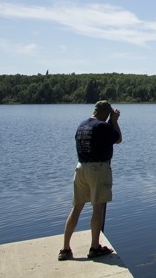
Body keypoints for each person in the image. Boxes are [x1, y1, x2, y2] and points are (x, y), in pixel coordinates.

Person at [58, 100, 122, 261]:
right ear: (106, 113)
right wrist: (114, 121)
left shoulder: (82, 125)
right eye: (108, 114)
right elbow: (118, 139)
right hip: (98, 169)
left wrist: (109, 122)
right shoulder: (103, 126)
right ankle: (95, 247)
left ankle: (65, 249)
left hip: (80, 168)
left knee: (77, 207)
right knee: (98, 207)